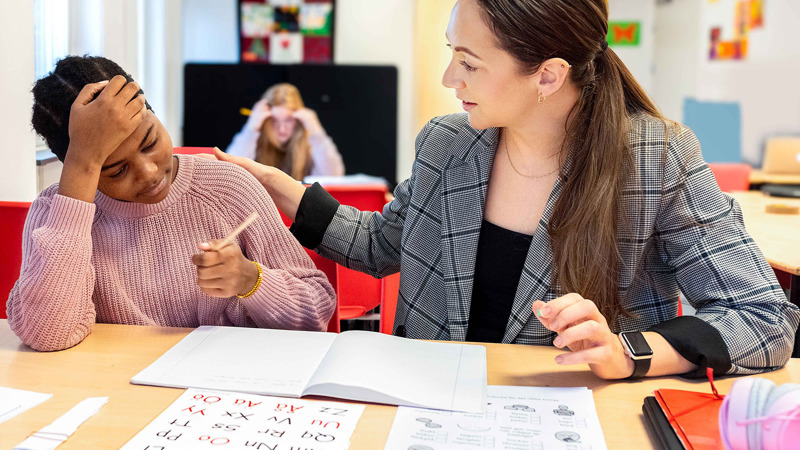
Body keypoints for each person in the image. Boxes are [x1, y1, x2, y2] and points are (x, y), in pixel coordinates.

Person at [211, 0, 799, 379]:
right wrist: (281, 189)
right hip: (424, 413)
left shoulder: (653, 159)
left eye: (468, 62)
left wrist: (632, 351)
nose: (448, 79)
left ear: (547, 75)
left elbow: (764, 318)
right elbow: (381, 245)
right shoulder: (448, 142)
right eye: (451, 54)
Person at [7, 56, 335, 352]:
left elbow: (316, 312)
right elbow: (49, 333)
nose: (149, 173)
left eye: (150, 142)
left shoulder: (228, 189)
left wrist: (252, 280)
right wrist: (81, 170)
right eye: (116, 169)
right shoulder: (58, 212)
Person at [227, 83, 345, 180]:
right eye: (274, 121)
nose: (282, 129)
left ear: (298, 120)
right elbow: (231, 172)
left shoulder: (310, 143)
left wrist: (316, 132)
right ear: (265, 120)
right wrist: (251, 128)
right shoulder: (255, 141)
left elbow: (334, 176)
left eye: (288, 120)